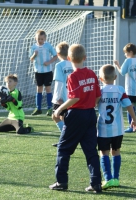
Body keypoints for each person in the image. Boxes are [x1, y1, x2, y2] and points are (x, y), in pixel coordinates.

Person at [49, 44, 102, 193]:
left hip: (76, 115)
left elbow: (75, 97)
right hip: (90, 114)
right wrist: (89, 104)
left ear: (69, 58)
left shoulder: (72, 76)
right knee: (91, 151)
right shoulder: (91, 73)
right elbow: (98, 95)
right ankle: (96, 183)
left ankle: (61, 181)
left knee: (63, 149)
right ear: (85, 57)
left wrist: (59, 109)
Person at [97, 64, 136, 190]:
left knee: (103, 152)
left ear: (100, 79)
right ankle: (116, 178)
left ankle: (108, 179)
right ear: (115, 77)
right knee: (116, 152)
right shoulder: (120, 90)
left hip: (103, 129)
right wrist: (134, 120)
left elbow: (93, 104)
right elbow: (129, 105)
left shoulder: (99, 91)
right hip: (118, 129)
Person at [114, 43, 136, 133]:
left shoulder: (128, 61)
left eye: (126, 53)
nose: (125, 54)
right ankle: (133, 124)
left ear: (130, 52)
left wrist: (117, 65)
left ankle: (131, 126)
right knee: (132, 105)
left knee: (128, 106)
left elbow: (122, 72)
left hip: (130, 88)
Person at [30, 30, 57, 116]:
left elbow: (55, 56)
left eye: (42, 39)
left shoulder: (48, 46)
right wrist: (34, 54)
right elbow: (31, 58)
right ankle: (38, 108)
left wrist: (49, 62)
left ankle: (49, 108)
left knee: (48, 89)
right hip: (38, 71)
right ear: (36, 38)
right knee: (39, 89)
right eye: (38, 39)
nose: (40, 40)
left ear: (45, 38)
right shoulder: (33, 47)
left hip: (48, 71)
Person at [51, 42, 73, 147]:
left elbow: (59, 83)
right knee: (64, 118)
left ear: (58, 54)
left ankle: (66, 139)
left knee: (55, 116)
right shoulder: (73, 63)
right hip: (72, 97)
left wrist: (57, 98)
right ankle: (65, 139)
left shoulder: (59, 65)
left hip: (63, 96)